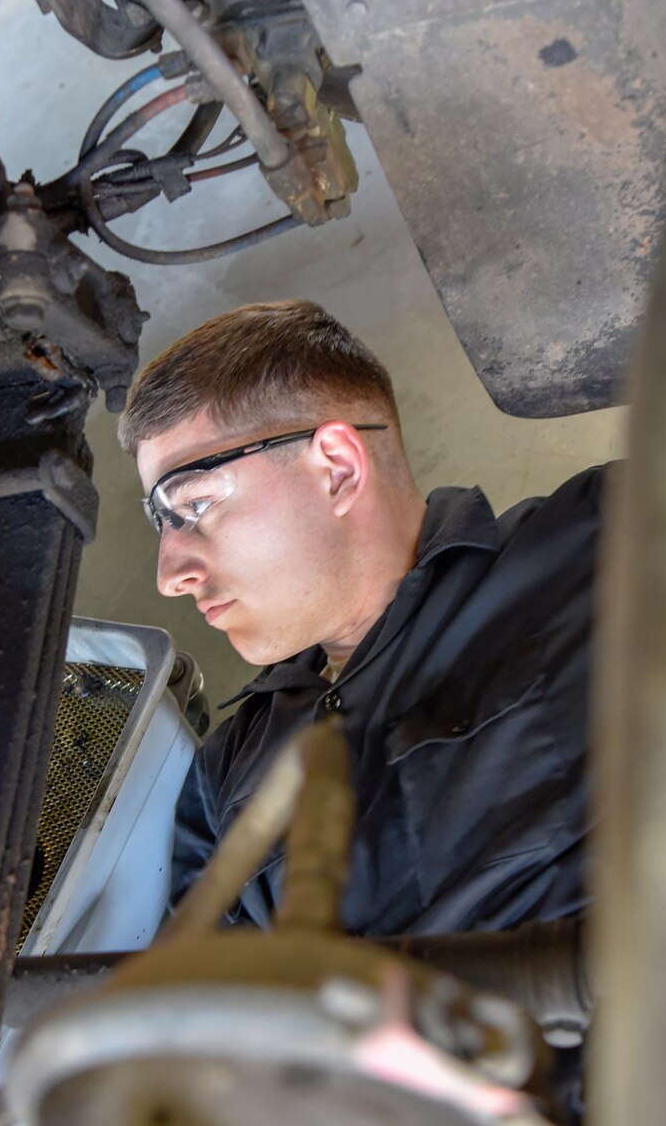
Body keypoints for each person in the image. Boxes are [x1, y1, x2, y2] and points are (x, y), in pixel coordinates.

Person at [120, 299, 609, 936]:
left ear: (338, 469)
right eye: (161, 524)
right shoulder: (227, 773)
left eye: (195, 504)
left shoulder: (600, 546)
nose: (168, 576)